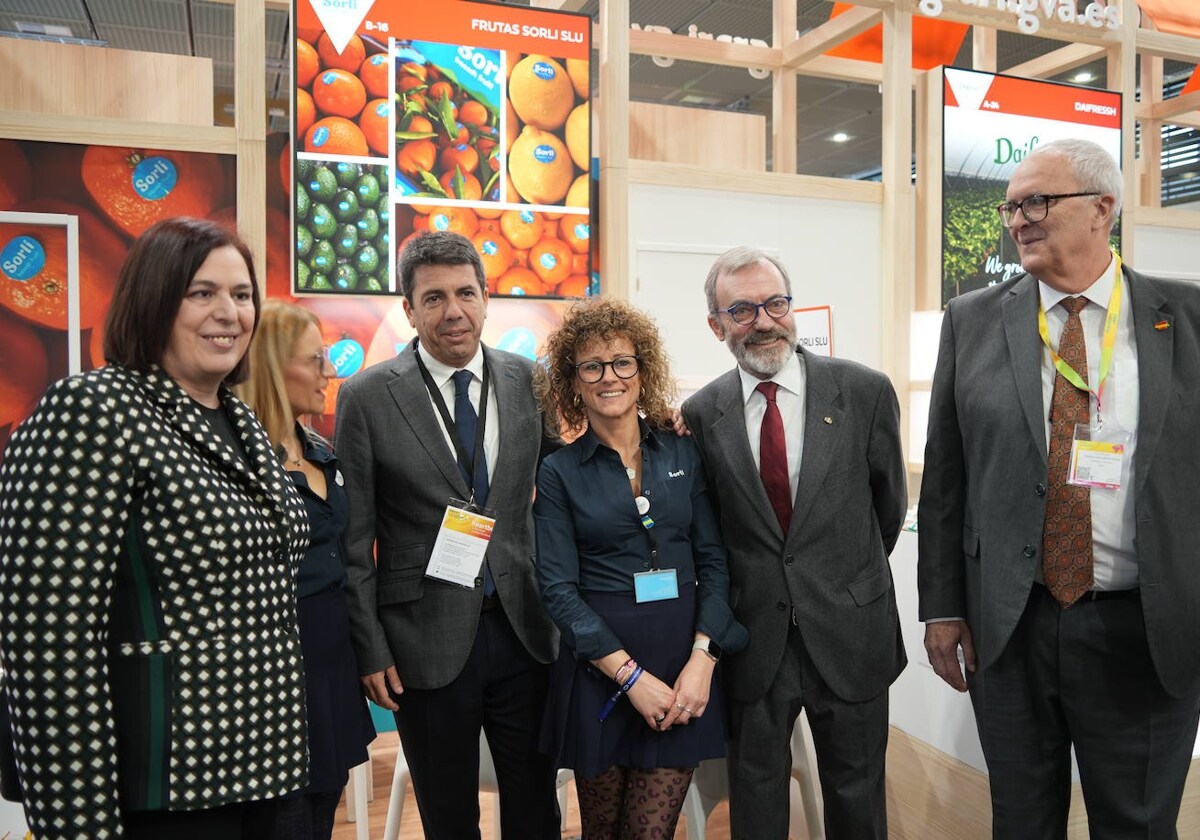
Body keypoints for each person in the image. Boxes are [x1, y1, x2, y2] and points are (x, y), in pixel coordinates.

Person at [919, 138, 1200, 838]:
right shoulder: (973, 319)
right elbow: (946, 476)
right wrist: (943, 606)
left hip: (1144, 626)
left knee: (1135, 824)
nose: (1019, 220)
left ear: (1103, 208)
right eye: (1012, 206)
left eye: (1038, 202)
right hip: (1012, 626)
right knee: (1021, 819)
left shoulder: (1188, 316)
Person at [0, 217, 310, 839]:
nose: (229, 312)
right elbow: (45, 640)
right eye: (202, 293)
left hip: (265, 772)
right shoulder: (93, 410)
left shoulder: (240, 421)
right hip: (161, 784)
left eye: (242, 294)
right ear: (154, 301)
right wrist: (79, 825)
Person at [334, 230, 560, 839]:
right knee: (448, 815)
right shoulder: (366, 396)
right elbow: (353, 540)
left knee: (536, 807)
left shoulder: (528, 381)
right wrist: (371, 646)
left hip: (525, 630)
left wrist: (653, 433)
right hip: (422, 641)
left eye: (466, 293)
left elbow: (570, 475)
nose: (453, 311)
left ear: (487, 299)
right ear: (408, 309)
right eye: (433, 298)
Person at [681, 246, 907, 839]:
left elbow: (888, 510)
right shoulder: (702, 414)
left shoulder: (863, 392)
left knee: (857, 797)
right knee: (756, 800)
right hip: (754, 639)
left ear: (792, 306)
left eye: (775, 303)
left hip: (850, 630)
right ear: (716, 325)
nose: (764, 321)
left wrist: (835, 578)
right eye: (742, 309)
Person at [532, 298, 748, 839]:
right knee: (601, 833)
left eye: (622, 362)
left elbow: (714, 562)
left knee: (650, 832)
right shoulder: (558, 472)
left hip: (681, 670)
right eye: (592, 366)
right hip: (599, 671)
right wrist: (629, 677)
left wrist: (704, 660)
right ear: (573, 381)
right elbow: (557, 589)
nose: (610, 377)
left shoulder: (683, 451)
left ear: (641, 369)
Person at [237, 301, 375, 840]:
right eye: (315, 359)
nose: (330, 371)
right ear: (271, 365)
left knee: (321, 814)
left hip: (332, 661)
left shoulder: (319, 450)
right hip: (274, 674)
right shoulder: (240, 461)